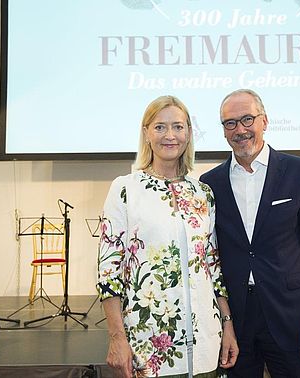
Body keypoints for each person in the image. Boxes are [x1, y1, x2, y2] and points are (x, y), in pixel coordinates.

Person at [97, 95, 238, 378]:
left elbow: (213, 267)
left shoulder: (203, 193)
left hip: (206, 344)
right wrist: (116, 338)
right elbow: (109, 272)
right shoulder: (125, 189)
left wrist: (228, 325)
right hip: (148, 346)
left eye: (178, 127)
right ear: (146, 133)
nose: (170, 135)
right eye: (160, 127)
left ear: (188, 134)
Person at [199, 89, 300, 377]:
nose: (240, 129)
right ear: (223, 131)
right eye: (230, 123)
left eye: (247, 119)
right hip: (236, 321)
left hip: (291, 315)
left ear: (264, 121)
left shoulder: (299, 171)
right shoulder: (209, 184)